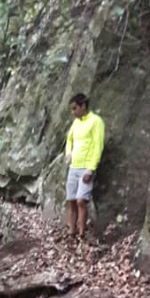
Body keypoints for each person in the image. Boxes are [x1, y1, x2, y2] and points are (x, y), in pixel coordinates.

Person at [65, 93, 105, 241]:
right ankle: (71, 232)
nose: (73, 112)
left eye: (75, 108)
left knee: (81, 200)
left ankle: (81, 233)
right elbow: (69, 139)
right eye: (72, 109)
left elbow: (98, 146)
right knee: (71, 200)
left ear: (83, 106)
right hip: (73, 166)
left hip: (86, 167)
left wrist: (91, 168)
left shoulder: (96, 122)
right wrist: (69, 153)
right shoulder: (76, 122)